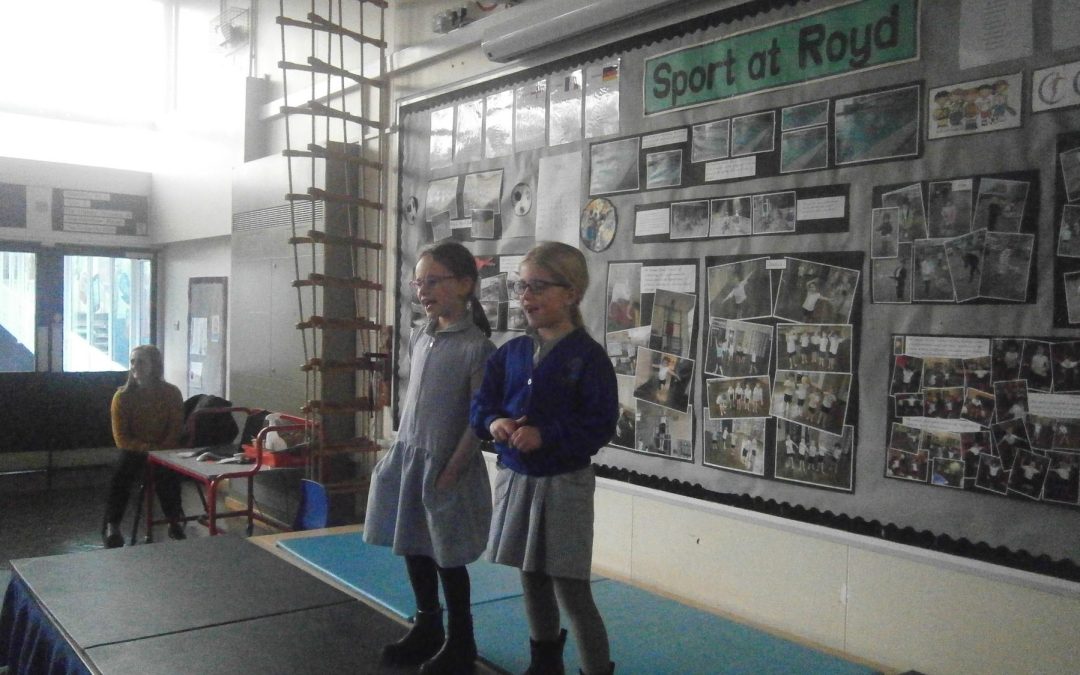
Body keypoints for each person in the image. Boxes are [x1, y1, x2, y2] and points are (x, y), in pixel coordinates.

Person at [471, 241, 618, 675]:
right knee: (530, 575)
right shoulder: (511, 352)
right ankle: (545, 662)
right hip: (517, 478)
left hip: (565, 484)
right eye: (521, 286)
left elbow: (599, 426)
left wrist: (547, 435)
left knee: (571, 588)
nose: (526, 296)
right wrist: (495, 422)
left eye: (537, 286)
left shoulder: (589, 358)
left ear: (570, 293)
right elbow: (481, 407)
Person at [364, 241, 495, 674]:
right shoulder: (422, 335)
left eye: (433, 281)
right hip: (412, 457)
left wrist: (451, 472)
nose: (422, 291)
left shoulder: (477, 348)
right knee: (414, 546)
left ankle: (461, 639)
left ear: (465, 285)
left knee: (446, 556)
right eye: (418, 282)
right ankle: (428, 625)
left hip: (446, 466)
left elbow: (478, 420)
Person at [102, 344, 185, 548]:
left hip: (163, 449)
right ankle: (113, 525)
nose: (135, 366)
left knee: (168, 473)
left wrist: (160, 450)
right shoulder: (122, 397)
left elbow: (175, 429)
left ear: (154, 365)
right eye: (132, 362)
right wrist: (146, 449)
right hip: (135, 450)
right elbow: (121, 438)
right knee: (121, 472)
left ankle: (173, 521)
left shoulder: (172, 393)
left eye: (140, 361)